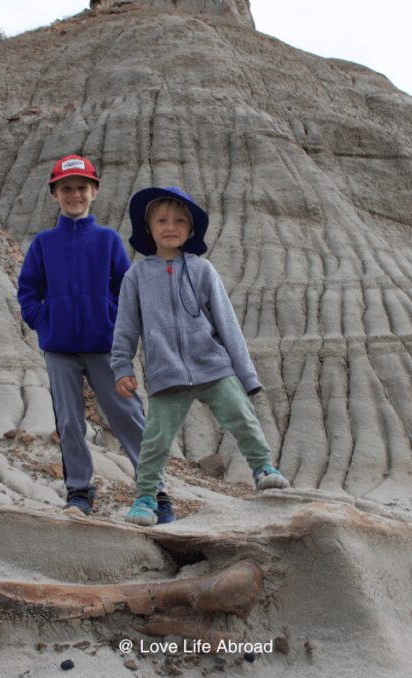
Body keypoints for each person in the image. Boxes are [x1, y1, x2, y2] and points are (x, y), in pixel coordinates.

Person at [111, 186, 289, 526]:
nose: (171, 226)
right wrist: (122, 367)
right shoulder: (136, 276)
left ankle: (263, 468)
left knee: (242, 416)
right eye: (161, 220)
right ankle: (146, 498)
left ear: (191, 230)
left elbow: (228, 325)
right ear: (147, 228)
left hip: (214, 366)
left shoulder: (203, 271)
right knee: (156, 441)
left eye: (180, 220)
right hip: (168, 373)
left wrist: (246, 375)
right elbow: (125, 329)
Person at [17, 155, 175, 524]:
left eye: (81, 188)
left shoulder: (108, 240)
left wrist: (116, 328)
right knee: (70, 421)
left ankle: (155, 493)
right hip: (60, 350)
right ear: (55, 193)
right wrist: (45, 322)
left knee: (128, 416)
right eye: (66, 188)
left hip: (105, 347)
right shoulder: (44, 243)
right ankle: (79, 491)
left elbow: (127, 291)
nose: (75, 194)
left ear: (95, 191)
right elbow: (28, 291)